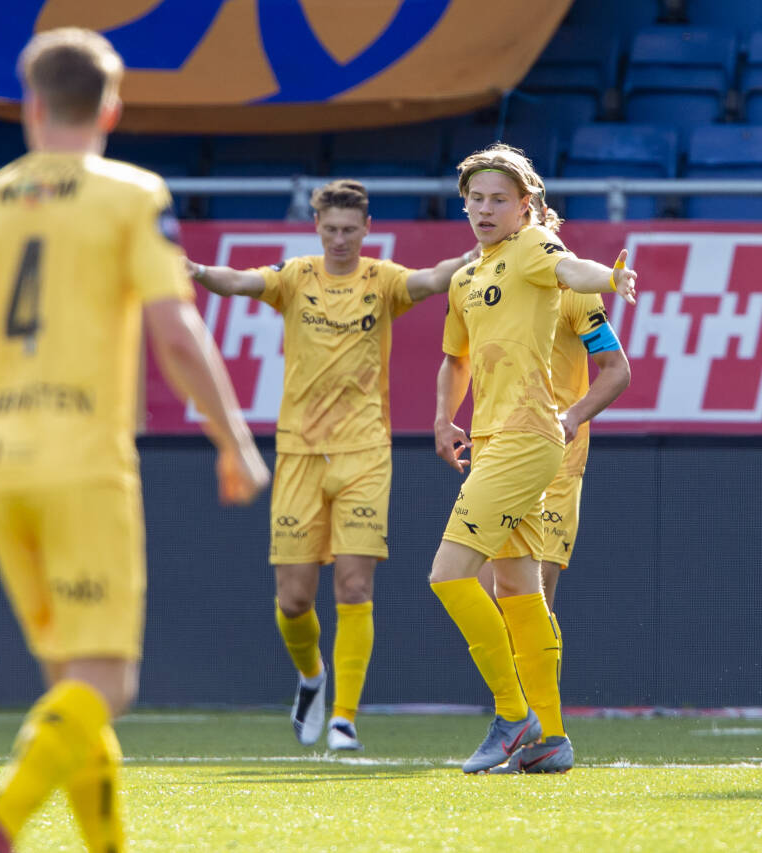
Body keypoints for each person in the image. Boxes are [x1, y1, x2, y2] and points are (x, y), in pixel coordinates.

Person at [0, 27, 269, 853]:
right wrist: (233, 440)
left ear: (28, 103)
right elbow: (176, 333)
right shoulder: (130, 196)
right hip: (83, 458)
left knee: (72, 684)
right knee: (107, 680)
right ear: (110, 106)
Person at [187, 179, 473, 751]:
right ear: (317, 229)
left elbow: (436, 278)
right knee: (293, 598)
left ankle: (344, 717)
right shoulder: (296, 278)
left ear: (367, 230)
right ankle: (312, 679)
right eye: (330, 230)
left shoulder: (383, 280)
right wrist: (193, 271)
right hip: (298, 453)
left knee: (354, 584)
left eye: (349, 230)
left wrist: (477, 255)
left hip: (365, 452)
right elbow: (238, 282)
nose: (340, 239)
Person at [431, 143, 636, 774]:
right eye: (477, 199)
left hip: (529, 438)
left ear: (528, 207)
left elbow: (572, 271)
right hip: (491, 439)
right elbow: (455, 357)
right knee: (518, 588)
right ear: (463, 204)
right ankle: (550, 736)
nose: (486, 209)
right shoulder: (468, 277)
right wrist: (443, 417)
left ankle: (513, 716)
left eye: (500, 199)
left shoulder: (535, 250)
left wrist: (608, 276)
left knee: (449, 575)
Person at [476, 289, 631, 619]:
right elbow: (456, 359)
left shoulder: (576, 290)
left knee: (529, 599)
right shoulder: (484, 280)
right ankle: (514, 672)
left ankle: (538, 671)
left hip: (555, 461)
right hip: (499, 457)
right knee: (485, 596)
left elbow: (617, 369)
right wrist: (443, 418)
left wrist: (573, 415)